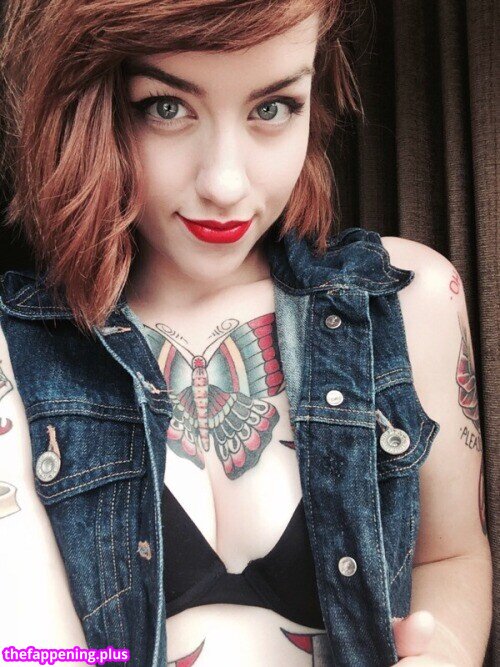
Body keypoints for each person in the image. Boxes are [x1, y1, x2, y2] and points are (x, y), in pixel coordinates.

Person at [0, 2, 492, 666]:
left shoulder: (407, 301)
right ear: (90, 106)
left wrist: (445, 653)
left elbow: (451, 554)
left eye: (272, 107)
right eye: (167, 108)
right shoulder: (17, 353)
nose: (226, 184)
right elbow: (29, 648)